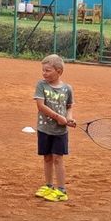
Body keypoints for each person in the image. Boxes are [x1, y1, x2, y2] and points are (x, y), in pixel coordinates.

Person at [33, 54, 75, 202]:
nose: (44, 73)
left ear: (59, 71)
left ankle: (61, 190)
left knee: (58, 158)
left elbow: (69, 107)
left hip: (60, 131)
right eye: (43, 70)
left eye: (48, 70)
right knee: (47, 157)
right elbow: (40, 105)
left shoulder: (67, 89)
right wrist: (58, 117)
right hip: (44, 128)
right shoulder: (41, 85)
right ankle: (49, 186)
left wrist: (69, 118)